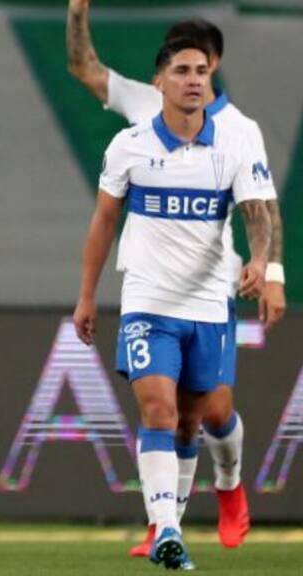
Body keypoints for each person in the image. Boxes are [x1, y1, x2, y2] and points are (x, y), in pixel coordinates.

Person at [66, 0, 287, 554]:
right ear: (161, 77)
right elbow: (85, 68)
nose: (192, 78)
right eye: (182, 68)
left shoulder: (239, 134)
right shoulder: (139, 123)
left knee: (208, 415)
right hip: (148, 296)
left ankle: (231, 487)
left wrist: (269, 269)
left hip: (211, 295)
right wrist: (75, 13)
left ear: (214, 67)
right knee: (161, 412)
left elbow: (262, 209)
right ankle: (166, 526)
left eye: (202, 68)